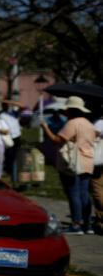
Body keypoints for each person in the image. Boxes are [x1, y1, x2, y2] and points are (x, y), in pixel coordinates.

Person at [41, 96, 97, 235]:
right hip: (87, 160)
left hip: (73, 162)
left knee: (73, 193)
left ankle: (76, 224)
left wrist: (45, 128)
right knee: (84, 194)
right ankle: (87, 224)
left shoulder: (72, 123)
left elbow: (57, 140)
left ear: (71, 110)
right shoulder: (89, 124)